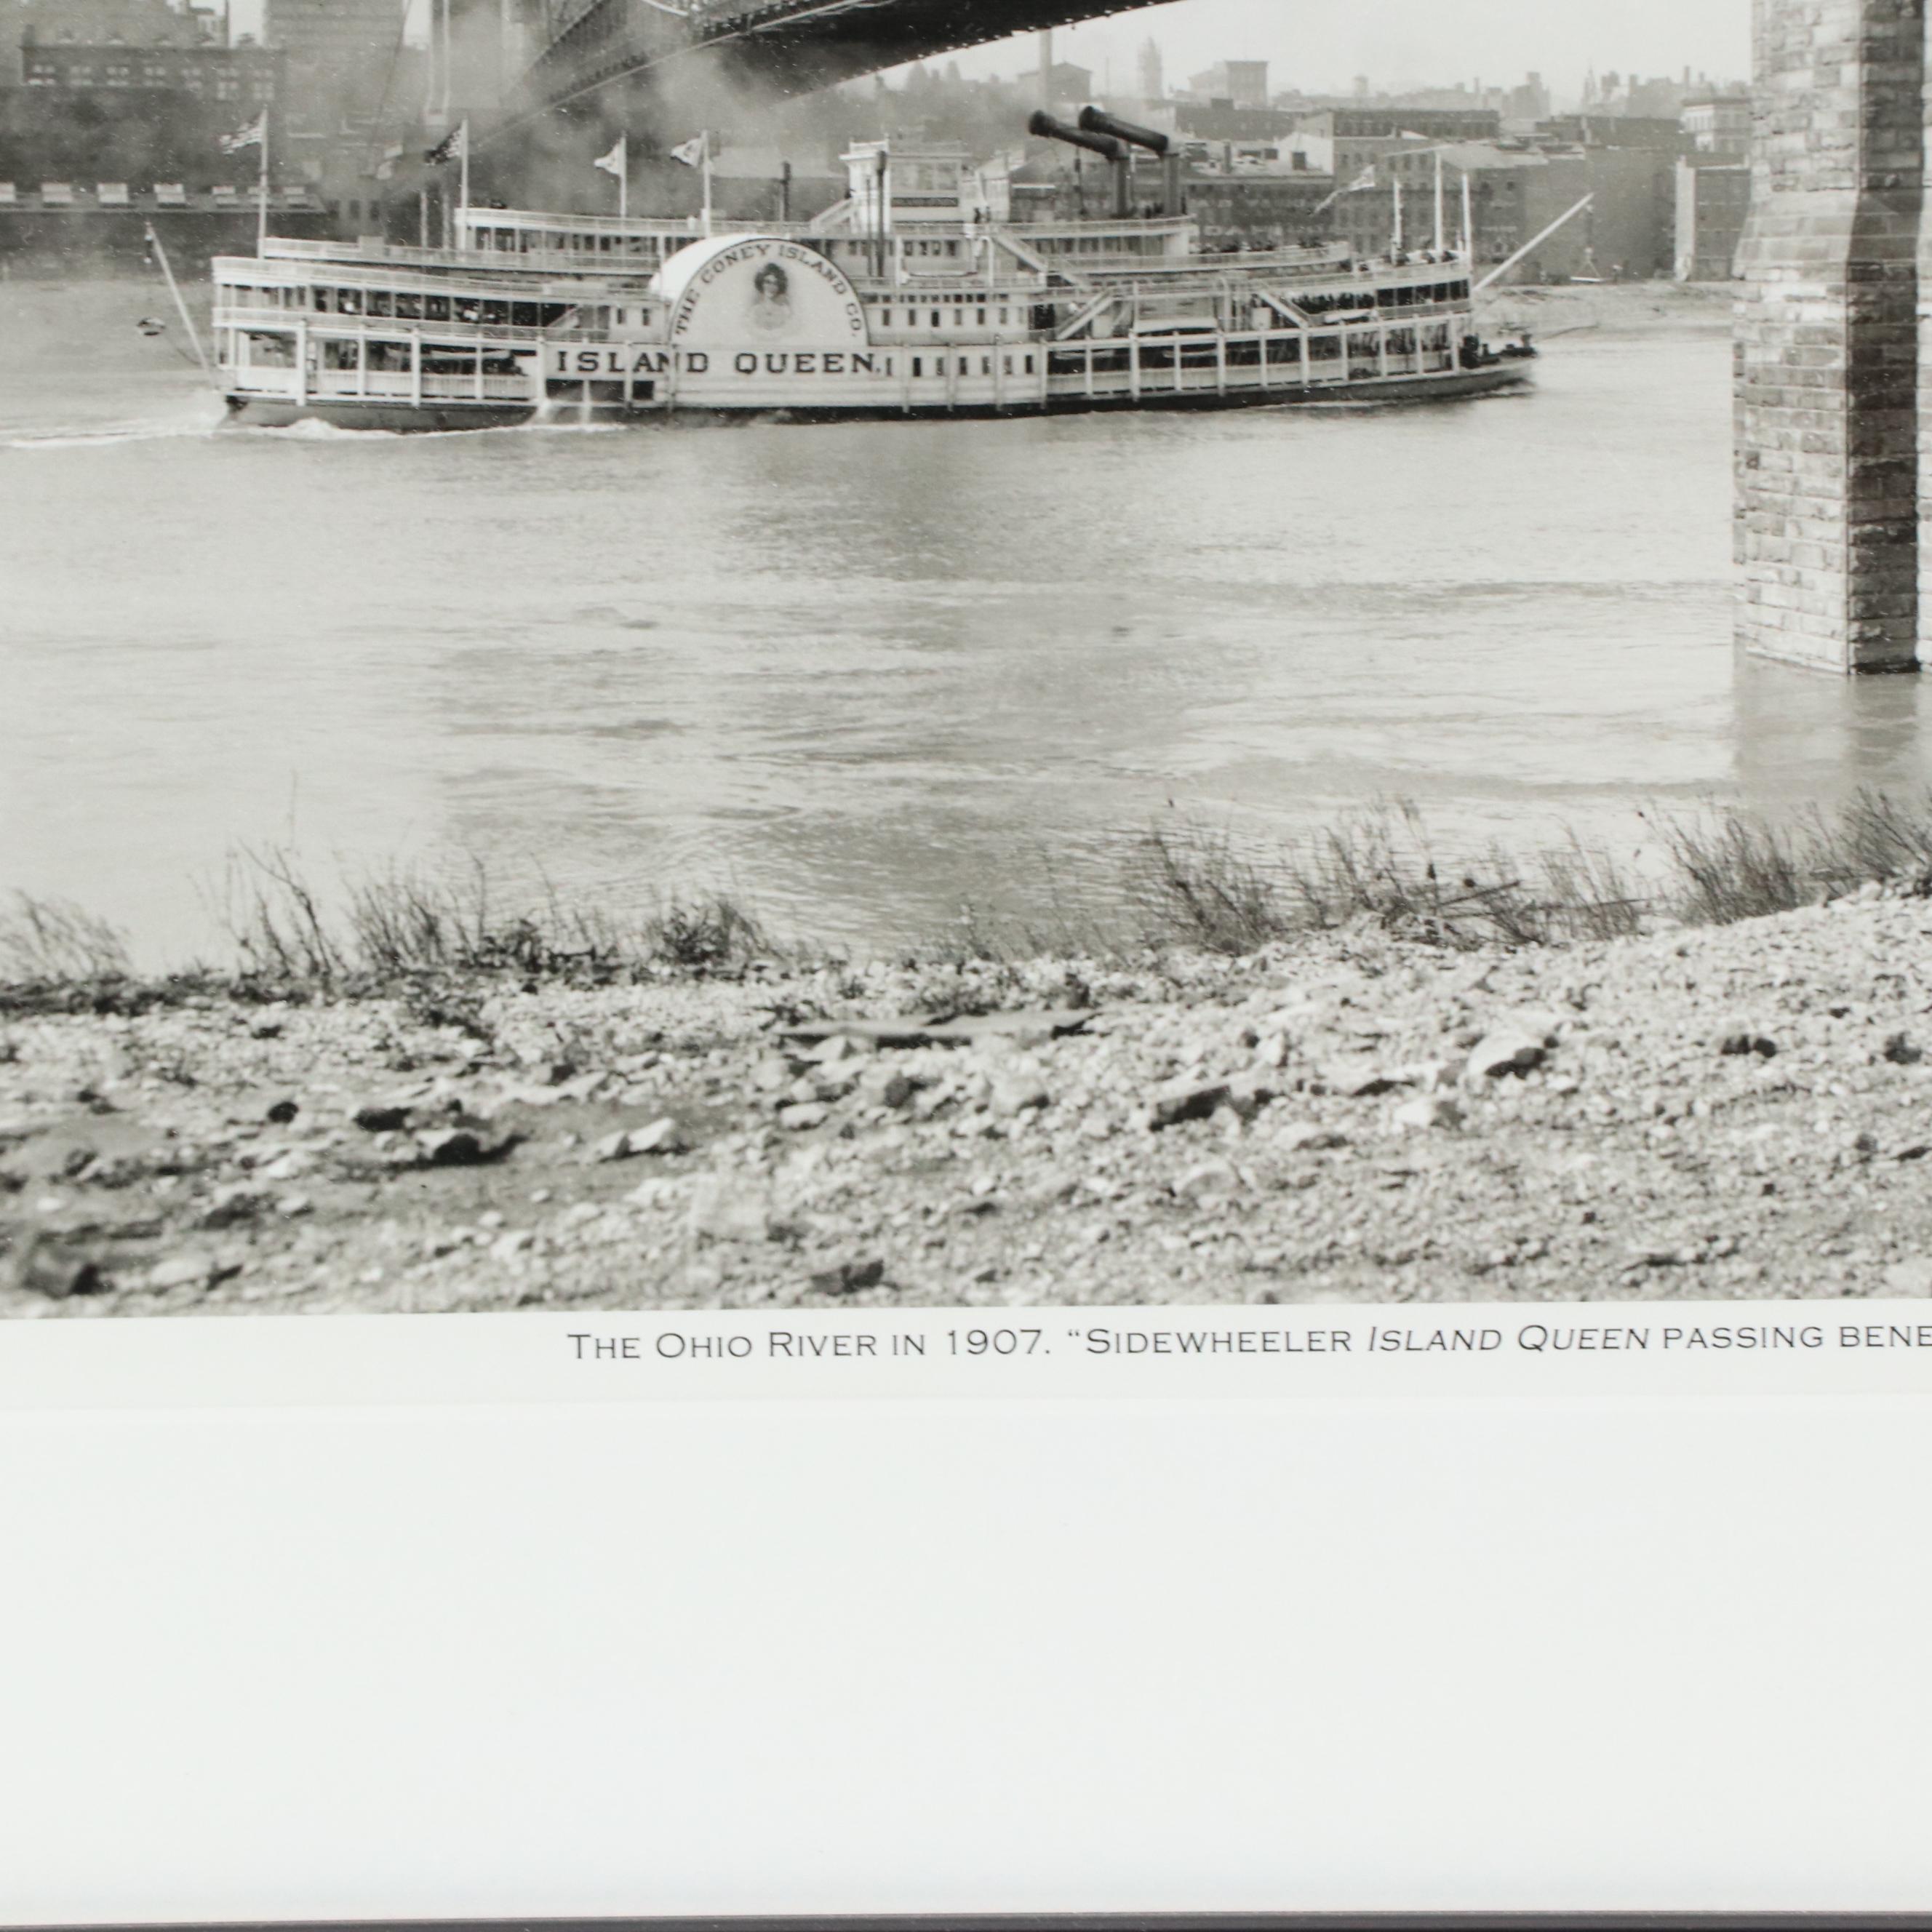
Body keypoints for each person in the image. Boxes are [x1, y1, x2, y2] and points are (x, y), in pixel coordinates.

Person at [747, 260, 792, 335]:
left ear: (779, 286)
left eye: (775, 283)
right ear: (761, 284)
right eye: (768, 282)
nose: (771, 287)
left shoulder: (786, 311)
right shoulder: (753, 311)